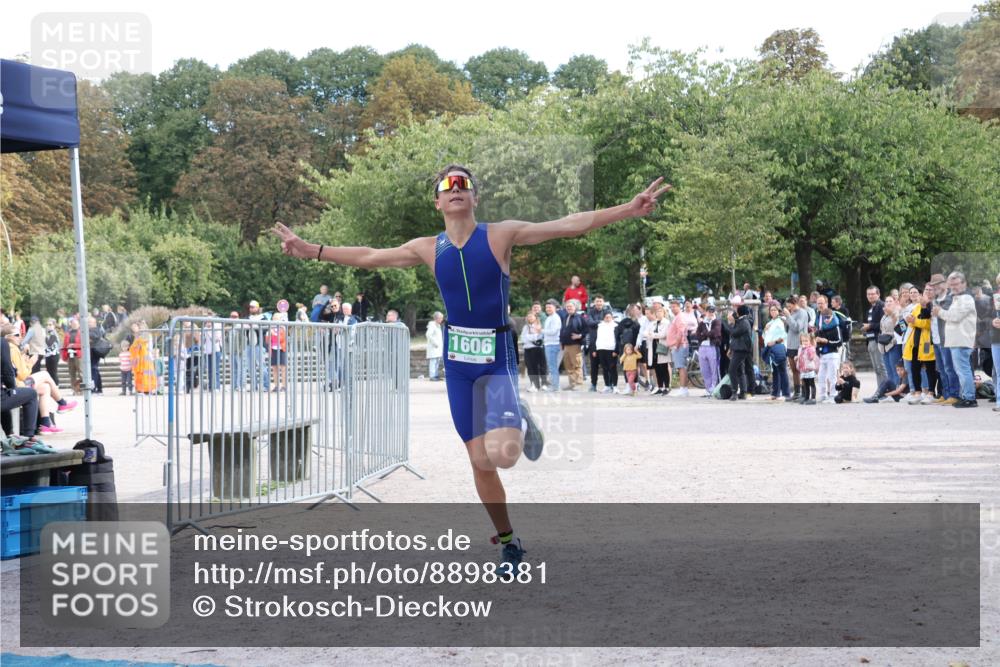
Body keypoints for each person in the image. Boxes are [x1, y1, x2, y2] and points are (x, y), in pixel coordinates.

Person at [273, 164, 672, 572]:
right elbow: (370, 256)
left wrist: (628, 208)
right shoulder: (428, 248)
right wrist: (313, 249)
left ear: (475, 197)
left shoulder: (500, 235)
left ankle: (518, 418)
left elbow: (568, 225)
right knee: (479, 462)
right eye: (448, 185)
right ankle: (508, 540)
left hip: (496, 357)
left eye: (464, 184)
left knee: (503, 456)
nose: (456, 189)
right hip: (458, 365)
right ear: (438, 201)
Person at [933, 271, 979, 408]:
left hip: (962, 340)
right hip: (956, 340)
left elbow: (955, 316)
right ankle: (965, 395)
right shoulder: (957, 298)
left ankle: (970, 398)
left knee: (963, 370)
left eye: (956, 284)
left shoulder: (966, 298)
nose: (953, 287)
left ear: (964, 284)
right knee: (960, 370)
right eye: (951, 284)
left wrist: (939, 312)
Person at [903, 286, 937, 405]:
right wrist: (910, 320)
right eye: (926, 290)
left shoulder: (931, 306)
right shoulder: (916, 307)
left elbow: (928, 324)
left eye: (929, 290)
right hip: (915, 342)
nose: (927, 293)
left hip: (927, 341)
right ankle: (917, 392)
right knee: (914, 368)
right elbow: (912, 324)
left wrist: (915, 322)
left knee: (929, 367)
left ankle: (931, 392)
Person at [813, 296, 842, 404]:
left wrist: (827, 341)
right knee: (821, 376)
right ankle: (823, 395)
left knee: (832, 376)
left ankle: (833, 395)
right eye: (825, 317)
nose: (826, 319)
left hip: (832, 353)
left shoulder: (835, 326)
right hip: (822, 353)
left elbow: (839, 341)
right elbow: (818, 333)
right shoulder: (819, 318)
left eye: (828, 317)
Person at [763, 303, 790, 400]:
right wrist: (765, 330)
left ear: (778, 311)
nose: (773, 312)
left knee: (782, 370)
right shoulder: (770, 323)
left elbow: (783, 336)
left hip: (779, 348)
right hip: (771, 349)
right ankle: (775, 393)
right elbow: (765, 337)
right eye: (771, 310)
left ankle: (786, 393)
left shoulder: (780, 321)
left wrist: (774, 341)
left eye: (775, 310)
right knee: (775, 371)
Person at [585, 295, 612, 392]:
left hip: (605, 343)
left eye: (600, 301)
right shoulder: (590, 312)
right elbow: (589, 323)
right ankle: (593, 384)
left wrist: (598, 322)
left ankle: (609, 384)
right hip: (594, 343)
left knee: (607, 365)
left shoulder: (607, 312)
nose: (599, 303)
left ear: (603, 302)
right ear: (594, 303)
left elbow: (610, 322)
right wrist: (601, 321)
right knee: (594, 365)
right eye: (597, 301)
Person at [784, 297, 810, 400]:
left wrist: (788, 316)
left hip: (799, 345)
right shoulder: (791, 313)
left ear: (794, 303)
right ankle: (796, 392)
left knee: (801, 369)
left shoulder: (802, 313)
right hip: (790, 345)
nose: (788, 307)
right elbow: (788, 328)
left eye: (789, 305)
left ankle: (804, 393)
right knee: (794, 370)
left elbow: (797, 328)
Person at [861, 286, 887, 388]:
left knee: (881, 367)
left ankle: (885, 390)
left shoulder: (881, 306)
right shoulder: (871, 308)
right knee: (876, 368)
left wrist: (870, 326)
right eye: (868, 294)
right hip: (870, 340)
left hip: (878, 341)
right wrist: (865, 328)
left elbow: (883, 323)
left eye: (873, 294)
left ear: (878, 294)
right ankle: (880, 389)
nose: (870, 296)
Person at [695, 304, 722, 395]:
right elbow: (698, 335)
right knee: (704, 369)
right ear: (706, 312)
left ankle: (714, 387)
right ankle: (708, 388)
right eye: (709, 311)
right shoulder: (702, 323)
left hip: (712, 347)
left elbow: (716, 333)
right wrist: (706, 334)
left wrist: (705, 334)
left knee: (714, 368)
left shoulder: (716, 321)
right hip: (702, 347)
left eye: (712, 311)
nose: (711, 313)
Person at [645, 306, 671, 395]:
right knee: (657, 368)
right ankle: (660, 387)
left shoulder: (666, 323)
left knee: (664, 368)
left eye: (661, 311)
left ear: (664, 313)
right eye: (657, 312)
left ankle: (666, 387)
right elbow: (645, 332)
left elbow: (663, 335)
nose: (659, 313)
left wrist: (652, 335)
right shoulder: (653, 323)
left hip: (662, 346)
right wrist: (653, 334)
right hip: (653, 347)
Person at [666, 301, 690, 396]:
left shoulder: (680, 317)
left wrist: (676, 344)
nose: (672, 309)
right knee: (680, 367)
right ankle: (683, 388)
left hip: (680, 345)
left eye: (674, 307)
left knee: (681, 367)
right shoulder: (676, 317)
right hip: (677, 345)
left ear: (679, 307)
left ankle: (683, 389)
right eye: (671, 307)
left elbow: (681, 332)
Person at [593, 311, 620, 393]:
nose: (607, 318)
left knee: (612, 368)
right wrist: (595, 349)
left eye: (609, 317)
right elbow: (597, 338)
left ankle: (614, 386)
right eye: (606, 317)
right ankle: (607, 385)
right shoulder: (600, 326)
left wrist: (616, 350)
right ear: (603, 318)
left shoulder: (616, 326)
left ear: (612, 317)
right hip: (601, 348)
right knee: (604, 368)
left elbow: (618, 339)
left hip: (611, 349)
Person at [129, 322, 159, 395]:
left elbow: (149, 347)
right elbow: (134, 346)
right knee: (141, 374)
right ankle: (141, 389)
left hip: (146, 357)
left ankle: (148, 389)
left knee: (147, 373)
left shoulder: (147, 335)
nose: (140, 328)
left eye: (142, 327)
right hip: (140, 358)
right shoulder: (138, 336)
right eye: (140, 327)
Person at [520, 312, 545, 392]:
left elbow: (539, 338)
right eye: (528, 317)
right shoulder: (525, 327)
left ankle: (543, 384)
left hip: (537, 349)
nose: (530, 318)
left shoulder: (539, 326)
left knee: (538, 367)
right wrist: (532, 337)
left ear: (535, 317)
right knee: (530, 368)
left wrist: (529, 337)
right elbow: (523, 338)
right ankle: (534, 385)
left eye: (531, 316)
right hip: (527, 349)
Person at [542, 299, 562, 392]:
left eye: (550, 307)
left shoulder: (555, 318)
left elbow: (553, 332)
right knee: (551, 366)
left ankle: (555, 387)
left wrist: (541, 330)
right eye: (546, 307)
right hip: (548, 344)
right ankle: (555, 386)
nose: (548, 309)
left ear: (555, 308)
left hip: (553, 344)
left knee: (553, 366)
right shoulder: (549, 317)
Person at [61, 318, 84, 395]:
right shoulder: (68, 333)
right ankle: (74, 390)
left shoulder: (81, 333)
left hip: (78, 355)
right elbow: (64, 345)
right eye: (73, 324)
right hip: (70, 355)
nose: (74, 325)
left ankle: (83, 389)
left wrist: (73, 345)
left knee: (81, 373)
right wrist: (64, 356)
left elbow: (84, 345)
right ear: (71, 324)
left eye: (76, 324)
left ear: (79, 325)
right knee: (72, 373)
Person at [796, 333, 819, 405]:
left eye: (806, 341)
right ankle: (806, 397)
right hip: (803, 369)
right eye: (803, 341)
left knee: (811, 383)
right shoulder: (800, 348)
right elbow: (800, 356)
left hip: (810, 369)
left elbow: (811, 357)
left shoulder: (811, 348)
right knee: (805, 384)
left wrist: (809, 352)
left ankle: (813, 398)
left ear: (810, 341)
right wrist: (797, 358)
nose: (805, 343)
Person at [427, 312, 444, 381]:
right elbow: (428, 335)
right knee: (433, 361)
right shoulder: (432, 325)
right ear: (437, 318)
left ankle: (436, 375)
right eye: (441, 318)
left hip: (438, 348)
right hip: (434, 347)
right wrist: (435, 343)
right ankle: (432, 376)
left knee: (437, 361)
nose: (442, 319)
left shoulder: (438, 325)